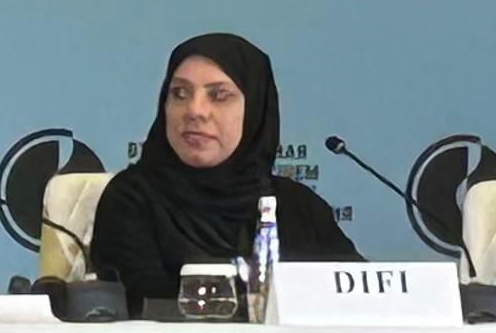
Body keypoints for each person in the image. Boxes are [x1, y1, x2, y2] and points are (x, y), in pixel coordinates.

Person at [87, 32, 359, 309]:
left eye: (218, 96)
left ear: (255, 109)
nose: (195, 110)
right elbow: (144, 306)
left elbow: (359, 300)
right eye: (180, 93)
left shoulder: (298, 207)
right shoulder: (131, 199)